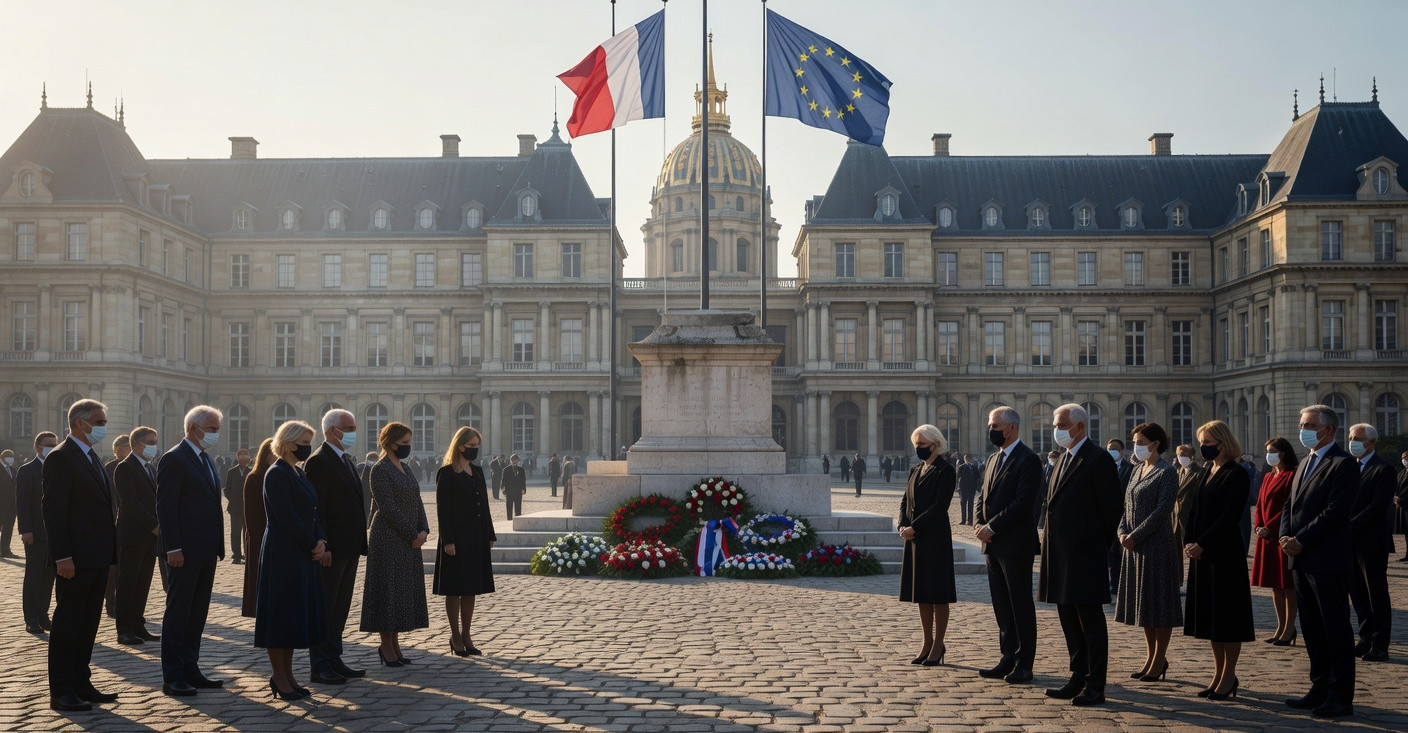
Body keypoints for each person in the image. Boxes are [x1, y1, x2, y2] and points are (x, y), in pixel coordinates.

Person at [1039, 403, 1121, 707]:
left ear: (1080, 427)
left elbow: (1111, 508)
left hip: (1085, 552)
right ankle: (1077, 674)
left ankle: (1095, 683)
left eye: (1061, 424)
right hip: (1060, 552)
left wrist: (1096, 544)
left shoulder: (1097, 459)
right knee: (1067, 616)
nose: (1056, 430)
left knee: (1090, 620)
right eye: (1055, 424)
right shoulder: (1063, 458)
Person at [1279, 404, 1358, 717]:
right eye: (1302, 424)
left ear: (1328, 429)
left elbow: (1336, 512)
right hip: (1300, 558)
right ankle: (1319, 687)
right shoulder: (1305, 461)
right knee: (1311, 627)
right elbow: (1290, 504)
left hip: (1327, 558)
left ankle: (1341, 697)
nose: (1303, 430)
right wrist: (1286, 537)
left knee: (1334, 628)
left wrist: (1301, 539)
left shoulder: (1343, 464)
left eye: (1309, 424)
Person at [41, 399, 118, 712]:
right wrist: (62, 556)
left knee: (88, 622)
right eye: (97, 422)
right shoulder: (61, 456)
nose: (101, 428)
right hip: (74, 557)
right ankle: (61, 689)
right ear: (78, 423)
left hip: (97, 554)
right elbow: (54, 510)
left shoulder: (91, 455)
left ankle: (81, 681)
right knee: (68, 623)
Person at [156, 405, 227, 697]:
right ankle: (173, 674)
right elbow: (166, 506)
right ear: (194, 428)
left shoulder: (205, 458)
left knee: (197, 613)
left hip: (206, 549)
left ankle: (191, 667)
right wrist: (173, 547)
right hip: (183, 550)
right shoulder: (175, 458)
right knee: (178, 613)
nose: (215, 434)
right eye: (211, 429)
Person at [255, 420, 328, 701]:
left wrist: (321, 540)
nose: (307, 448)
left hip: (302, 551)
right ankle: (279, 677)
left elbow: (313, 511)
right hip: (283, 552)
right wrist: (313, 543)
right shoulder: (276, 473)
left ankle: (288, 675)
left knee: (294, 616)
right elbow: (285, 516)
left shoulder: (298, 472)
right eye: (304, 443)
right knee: (280, 617)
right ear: (288, 444)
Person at [1183, 420, 1254, 702]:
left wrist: (1203, 543)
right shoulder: (1206, 471)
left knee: (1228, 617)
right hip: (1202, 552)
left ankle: (1229, 674)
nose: (1204, 447)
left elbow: (1229, 516)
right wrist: (1189, 540)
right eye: (1202, 441)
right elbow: (1194, 508)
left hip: (1224, 552)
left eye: (1208, 442)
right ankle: (1218, 672)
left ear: (1223, 443)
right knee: (1212, 617)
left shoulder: (1236, 474)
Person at [973, 407, 1041, 684]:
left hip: (1015, 543)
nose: (991, 430)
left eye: (995, 425)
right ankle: (1007, 656)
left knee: (1020, 604)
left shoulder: (1028, 460)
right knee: (1002, 604)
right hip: (993, 544)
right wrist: (979, 524)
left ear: (1011, 427)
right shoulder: (993, 459)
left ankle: (1025, 662)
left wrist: (992, 527)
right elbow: (982, 496)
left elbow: (1024, 503)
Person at [304, 409, 369, 685]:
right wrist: (324, 544)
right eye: (349, 427)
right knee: (326, 608)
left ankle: (335, 657)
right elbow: (316, 509)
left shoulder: (344, 459)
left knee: (340, 607)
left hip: (349, 546)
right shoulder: (319, 461)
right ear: (332, 431)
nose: (354, 431)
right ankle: (319, 664)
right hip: (333, 549)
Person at [1114, 422, 1182, 683]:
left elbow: (1162, 510)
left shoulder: (1167, 472)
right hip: (1134, 547)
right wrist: (1122, 532)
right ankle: (1151, 657)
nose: (1136, 446)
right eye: (1134, 442)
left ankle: (1159, 659)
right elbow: (1126, 505)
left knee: (1159, 606)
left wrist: (1135, 535)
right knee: (1144, 607)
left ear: (1154, 444)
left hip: (1156, 546)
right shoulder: (1137, 470)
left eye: (1140, 442)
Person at [360, 422, 430, 667]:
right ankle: (385, 645)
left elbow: (417, 499)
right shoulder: (380, 470)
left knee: (401, 592)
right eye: (404, 443)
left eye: (409, 442)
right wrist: (412, 533)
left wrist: (424, 528)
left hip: (408, 538)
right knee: (387, 591)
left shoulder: (405, 468)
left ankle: (395, 643)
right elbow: (387, 506)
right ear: (389, 443)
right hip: (389, 537)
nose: (408, 447)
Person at [434, 426, 496, 656]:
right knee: (454, 588)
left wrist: (490, 533)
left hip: (476, 537)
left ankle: (467, 634)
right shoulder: (447, 472)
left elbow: (485, 506)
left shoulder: (478, 471)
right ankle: (455, 635)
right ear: (460, 446)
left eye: (477, 446)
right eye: (471, 446)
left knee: (471, 588)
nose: (474, 450)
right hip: (456, 539)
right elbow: (443, 510)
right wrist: (447, 540)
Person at [897, 424, 956, 667]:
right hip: (915, 539)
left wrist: (915, 527)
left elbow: (940, 507)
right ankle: (927, 642)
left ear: (935, 444)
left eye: (921, 444)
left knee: (938, 594)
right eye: (916, 445)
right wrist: (902, 524)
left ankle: (938, 644)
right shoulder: (916, 469)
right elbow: (905, 500)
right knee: (921, 592)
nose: (918, 449)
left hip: (935, 538)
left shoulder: (946, 471)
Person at [1346, 423, 1393, 663]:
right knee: (1358, 594)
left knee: (1376, 593)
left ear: (1372, 442)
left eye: (1358, 438)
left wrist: (1348, 525)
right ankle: (1365, 637)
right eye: (1351, 437)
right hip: (1349, 542)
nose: (1352, 441)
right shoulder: (1348, 467)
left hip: (1372, 541)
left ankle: (1381, 643)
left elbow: (1377, 507)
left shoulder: (1383, 469)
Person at [114, 426, 162, 646]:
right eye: (149, 442)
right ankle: (124, 628)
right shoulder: (125, 468)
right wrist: (154, 526)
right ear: (135, 444)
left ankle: (138, 624)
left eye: (155, 442)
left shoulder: (149, 468)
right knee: (128, 583)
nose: (154, 446)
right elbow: (130, 503)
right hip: (132, 535)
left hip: (149, 536)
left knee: (142, 583)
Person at [1251, 437, 1298, 645]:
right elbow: (1260, 504)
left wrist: (1270, 527)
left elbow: (1289, 507)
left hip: (1281, 536)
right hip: (1266, 537)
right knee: (1274, 585)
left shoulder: (1292, 475)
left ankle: (1289, 628)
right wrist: (1258, 525)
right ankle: (1280, 626)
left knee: (1287, 584)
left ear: (1282, 453)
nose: (1269, 454)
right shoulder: (1269, 476)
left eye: (1272, 451)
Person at [18, 432, 58, 634]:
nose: (52, 446)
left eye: (55, 443)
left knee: (49, 577)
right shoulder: (28, 470)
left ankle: (43, 615)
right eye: (48, 444)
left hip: (55, 533)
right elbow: (23, 502)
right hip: (35, 533)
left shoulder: (59, 468)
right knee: (34, 576)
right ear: (38, 447)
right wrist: (25, 529)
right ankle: (31, 618)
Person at [241, 439, 276, 619]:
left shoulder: (283, 474)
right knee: (259, 579)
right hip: (260, 535)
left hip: (276, 536)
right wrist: (256, 541)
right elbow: (251, 516)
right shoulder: (254, 478)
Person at [102, 433, 130, 619]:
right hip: (112, 523)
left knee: (125, 569)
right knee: (112, 569)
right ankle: (110, 602)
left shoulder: (134, 466)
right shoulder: (109, 468)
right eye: (126, 447)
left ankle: (123, 602)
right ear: (118, 449)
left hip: (128, 525)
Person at [1106, 438, 1134, 597]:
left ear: (1122, 450)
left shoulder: (1129, 468)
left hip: (1124, 518)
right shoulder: (1103, 466)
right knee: (1111, 556)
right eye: (1109, 448)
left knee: (1124, 554)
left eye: (1115, 448)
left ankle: (1125, 584)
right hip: (1108, 518)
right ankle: (1113, 584)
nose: (1112, 451)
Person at [1172, 444, 1205, 581]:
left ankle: (1197, 579)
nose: (1182, 458)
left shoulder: (1199, 472)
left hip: (1190, 517)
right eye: (1180, 455)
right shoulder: (1179, 471)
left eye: (1185, 455)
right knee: (1176, 552)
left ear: (1192, 456)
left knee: (1192, 550)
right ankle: (1178, 581)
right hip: (1176, 517)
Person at [224, 448, 251, 564]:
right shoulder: (232, 471)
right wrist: (232, 500)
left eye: (246, 457)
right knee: (235, 531)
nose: (244, 459)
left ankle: (247, 553)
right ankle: (236, 554)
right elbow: (227, 489)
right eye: (242, 456)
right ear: (237, 458)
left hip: (247, 507)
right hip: (235, 507)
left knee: (247, 531)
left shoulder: (251, 471)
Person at [0, 449, 18, 558]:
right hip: (1, 504)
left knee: (8, 527)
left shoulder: (12, 470)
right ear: (3, 457)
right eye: (9, 456)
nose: (11, 458)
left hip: (11, 505)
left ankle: (5, 550)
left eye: (12, 456)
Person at [956, 455, 980, 525]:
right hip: (963, 488)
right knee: (963, 504)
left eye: (968, 458)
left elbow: (977, 477)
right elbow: (957, 477)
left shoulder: (974, 467)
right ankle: (963, 520)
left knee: (970, 504)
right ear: (964, 459)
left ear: (971, 459)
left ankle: (970, 520)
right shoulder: (961, 467)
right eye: (966, 458)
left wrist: (977, 488)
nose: (967, 459)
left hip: (971, 488)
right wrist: (957, 487)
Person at [502, 453, 526, 521]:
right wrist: (504, 491)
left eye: (515, 460)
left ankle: (518, 520)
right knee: (509, 508)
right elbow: (503, 481)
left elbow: (523, 480)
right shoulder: (506, 470)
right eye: (512, 460)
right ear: (510, 460)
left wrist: (523, 489)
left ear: (518, 461)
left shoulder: (521, 470)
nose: (514, 461)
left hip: (518, 491)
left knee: (518, 507)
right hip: (509, 491)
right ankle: (509, 521)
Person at [1397, 450, 1408, 562]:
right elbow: (1397, 486)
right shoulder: (1401, 473)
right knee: (1406, 531)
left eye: (1406, 459)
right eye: (1403, 459)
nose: (1405, 461)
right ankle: (1407, 554)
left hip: (1405, 502)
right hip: (1402, 506)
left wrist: (1401, 497)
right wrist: (1395, 497)